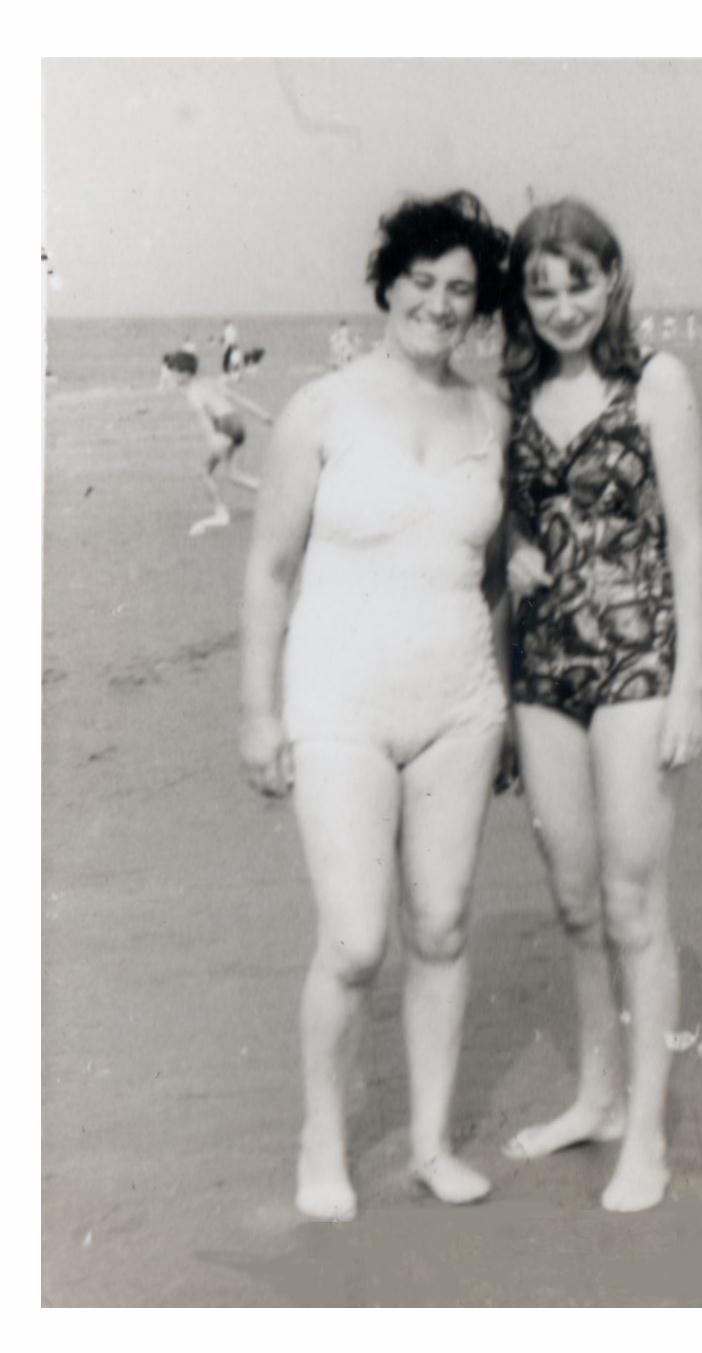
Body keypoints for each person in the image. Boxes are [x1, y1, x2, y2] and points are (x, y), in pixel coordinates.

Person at [240, 191, 511, 1222]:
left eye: (460, 289)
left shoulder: (491, 418)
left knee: (438, 927)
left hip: (459, 705)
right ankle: (323, 1140)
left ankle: (432, 1145)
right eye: (423, 282)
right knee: (355, 941)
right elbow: (269, 572)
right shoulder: (322, 408)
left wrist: (493, 681)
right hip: (338, 701)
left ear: (477, 305)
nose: (440, 304)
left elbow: (490, 572)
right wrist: (258, 713)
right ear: (387, 286)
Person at [499, 199, 702, 1213]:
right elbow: (499, 511)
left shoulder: (655, 381)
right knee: (575, 901)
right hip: (541, 668)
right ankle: (598, 1097)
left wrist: (689, 685)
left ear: (611, 277)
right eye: (540, 289)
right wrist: (511, 545)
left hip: (634, 661)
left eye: (577, 282)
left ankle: (647, 1137)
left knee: (632, 904)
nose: (562, 306)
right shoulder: (515, 393)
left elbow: (690, 540)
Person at [161, 350, 273, 536]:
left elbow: (204, 418)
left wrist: (212, 438)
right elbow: (239, 399)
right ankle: (275, 494)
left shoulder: (192, 392)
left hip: (224, 426)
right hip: (237, 424)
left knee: (204, 472)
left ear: (185, 373)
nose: (172, 377)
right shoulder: (210, 382)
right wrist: (263, 415)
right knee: (236, 474)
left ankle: (221, 514)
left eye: (174, 373)